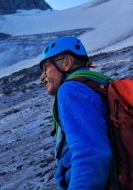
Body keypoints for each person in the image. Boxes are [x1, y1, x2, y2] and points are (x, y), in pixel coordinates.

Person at [39, 36, 112, 189]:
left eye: (46, 67)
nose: (42, 77)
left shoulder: (71, 89)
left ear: (66, 63)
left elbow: (90, 155)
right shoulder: (98, 83)